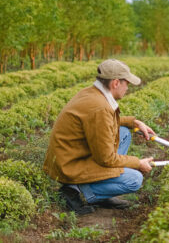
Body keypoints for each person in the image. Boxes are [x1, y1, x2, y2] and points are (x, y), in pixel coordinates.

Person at [43, 59, 155, 215]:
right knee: (134, 179)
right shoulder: (99, 107)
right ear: (115, 83)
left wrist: (133, 122)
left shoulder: (92, 93)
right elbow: (106, 158)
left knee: (122, 133)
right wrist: (137, 163)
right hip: (70, 166)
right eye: (127, 83)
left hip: (71, 156)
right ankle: (79, 191)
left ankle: (96, 188)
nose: (128, 88)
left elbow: (103, 122)